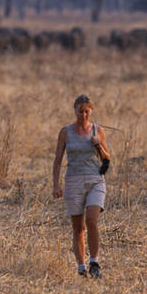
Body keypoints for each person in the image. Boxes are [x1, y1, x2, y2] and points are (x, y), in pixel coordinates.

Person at [52, 94, 111, 278]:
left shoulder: (97, 130)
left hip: (95, 179)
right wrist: (56, 184)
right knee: (78, 228)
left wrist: (99, 145)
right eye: (80, 111)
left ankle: (94, 261)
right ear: (75, 111)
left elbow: (107, 158)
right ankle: (81, 266)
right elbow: (57, 160)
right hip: (73, 180)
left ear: (91, 112)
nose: (83, 115)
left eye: (87, 112)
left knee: (92, 220)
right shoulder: (65, 132)